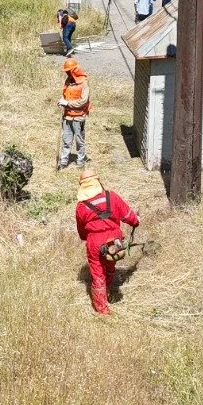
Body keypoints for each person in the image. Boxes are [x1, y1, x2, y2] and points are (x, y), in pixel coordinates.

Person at [74, 167, 140, 315]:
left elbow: (82, 230)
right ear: (98, 181)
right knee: (110, 264)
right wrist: (135, 222)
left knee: (97, 273)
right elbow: (128, 215)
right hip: (114, 239)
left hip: (94, 240)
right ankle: (108, 289)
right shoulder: (112, 196)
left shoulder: (81, 207)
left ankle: (102, 309)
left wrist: (88, 238)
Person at [58, 57, 90, 169]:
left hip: (78, 117)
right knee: (66, 140)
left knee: (79, 141)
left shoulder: (84, 83)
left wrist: (67, 103)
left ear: (74, 70)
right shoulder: (68, 81)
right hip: (67, 117)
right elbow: (65, 94)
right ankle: (63, 162)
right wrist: (61, 101)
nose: (67, 73)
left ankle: (80, 161)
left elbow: (83, 101)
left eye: (68, 71)